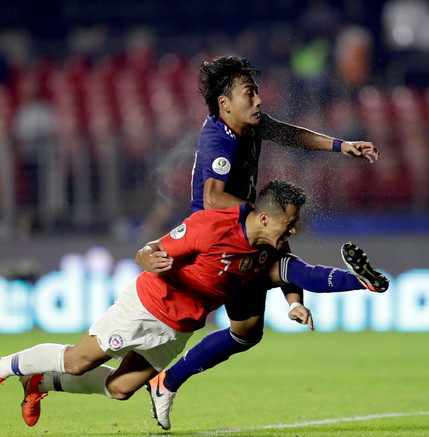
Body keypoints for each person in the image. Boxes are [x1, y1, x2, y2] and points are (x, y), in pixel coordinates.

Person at [0, 180, 389, 427]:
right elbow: (148, 250)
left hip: (181, 327)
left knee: (120, 389)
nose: (293, 229)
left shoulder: (272, 242)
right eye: (288, 223)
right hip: (149, 306)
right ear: (265, 217)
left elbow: (295, 272)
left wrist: (294, 303)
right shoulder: (213, 226)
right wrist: (148, 259)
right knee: (77, 361)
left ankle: (40, 380)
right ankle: (4, 367)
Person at [145, 55, 382, 430]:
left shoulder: (250, 125)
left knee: (247, 330)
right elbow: (212, 199)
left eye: (256, 92)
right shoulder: (216, 139)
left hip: (245, 228)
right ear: (225, 103)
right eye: (249, 94)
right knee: (279, 261)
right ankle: (360, 280)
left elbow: (293, 135)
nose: (258, 100)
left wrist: (341, 145)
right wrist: (262, 215)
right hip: (218, 238)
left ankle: (166, 382)